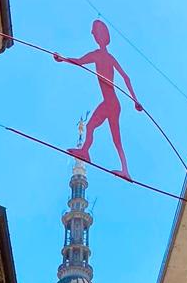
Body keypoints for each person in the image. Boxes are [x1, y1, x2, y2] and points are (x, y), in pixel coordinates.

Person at [54, 19, 143, 180]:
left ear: (100, 35)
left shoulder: (100, 55)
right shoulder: (103, 56)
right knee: (95, 128)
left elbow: (81, 62)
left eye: (95, 32)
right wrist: (64, 59)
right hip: (111, 102)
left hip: (112, 103)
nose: (94, 35)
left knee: (112, 136)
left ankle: (124, 169)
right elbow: (80, 62)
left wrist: (135, 100)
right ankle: (87, 153)